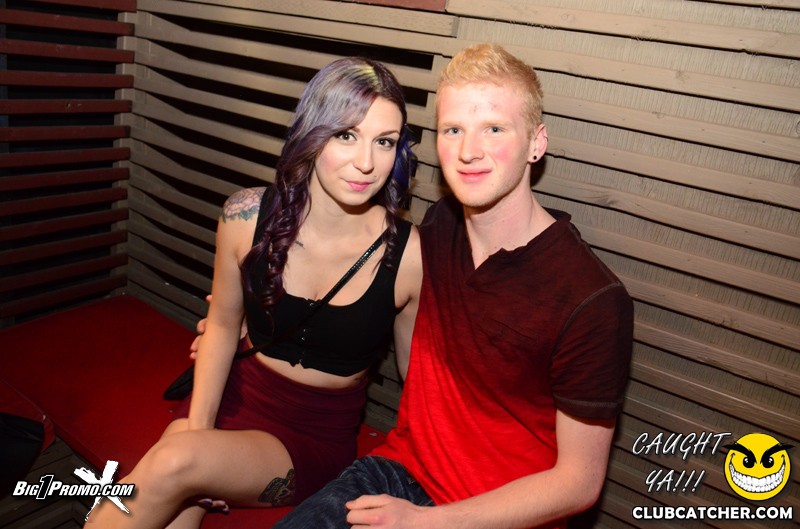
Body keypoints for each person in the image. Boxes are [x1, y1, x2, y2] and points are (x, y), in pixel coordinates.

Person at [272, 43, 634, 529]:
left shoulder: (591, 299)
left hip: (503, 514)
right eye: (453, 130)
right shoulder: (437, 229)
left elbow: (579, 483)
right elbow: (352, 290)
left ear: (536, 143)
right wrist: (249, 324)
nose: (468, 152)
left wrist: (427, 523)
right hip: (399, 472)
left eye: (494, 129)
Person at [88, 57, 422, 529]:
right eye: (346, 135)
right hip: (232, 393)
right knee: (170, 491)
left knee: (174, 462)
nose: (367, 162)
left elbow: (418, 380)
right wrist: (199, 432)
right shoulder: (245, 216)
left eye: (384, 141)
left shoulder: (409, 256)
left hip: (312, 437)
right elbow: (223, 326)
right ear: (312, 133)